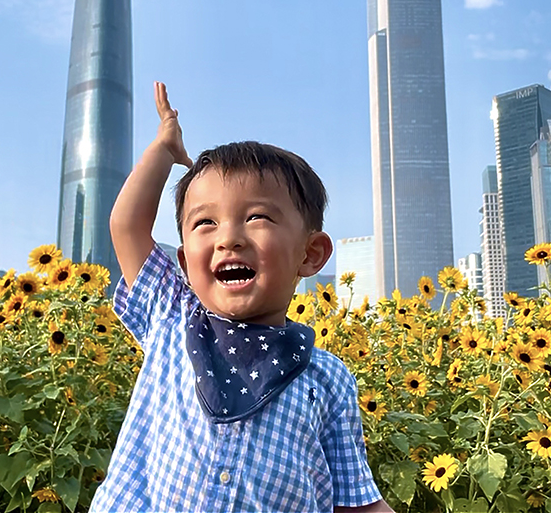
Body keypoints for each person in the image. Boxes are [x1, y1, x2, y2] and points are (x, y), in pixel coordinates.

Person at [90, 81, 394, 512]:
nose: (228, 238)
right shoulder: (171, 316)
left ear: (310, 254)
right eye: (205, 223)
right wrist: (163, 150)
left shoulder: (325, 377)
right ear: (184, 262)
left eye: (257, 217)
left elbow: (357, 502)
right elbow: (127, 226)